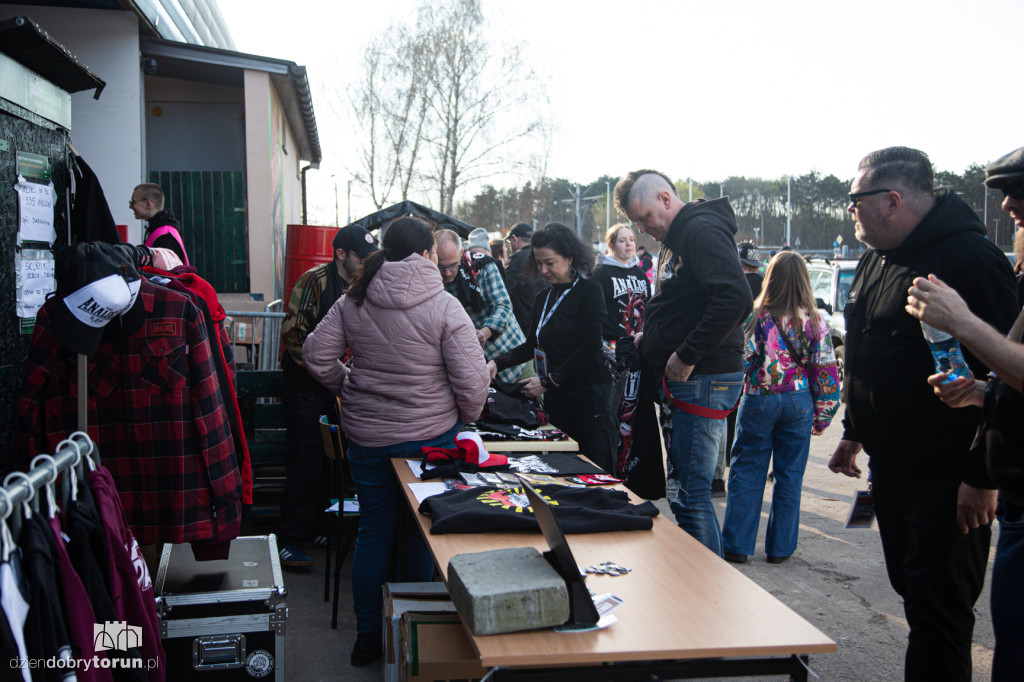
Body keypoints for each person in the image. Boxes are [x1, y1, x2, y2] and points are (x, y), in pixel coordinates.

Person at [827, 146, 1017, 681]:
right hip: (894, 468)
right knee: (916, 599)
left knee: (940, 617)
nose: (850, 211)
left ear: (891, 200)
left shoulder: (969, 260)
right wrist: (854, 431)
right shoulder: (877, 256)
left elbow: (1009, 380)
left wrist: (981, 477)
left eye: (854, 200)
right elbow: (868, 350)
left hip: (948, 475)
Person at [302, 217, 489, 667]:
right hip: (429, 439)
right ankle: (410, 638)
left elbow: (314, 354)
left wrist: (347, 385)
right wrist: (467, 417)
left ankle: (368, 636)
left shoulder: (355, 298)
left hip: (368, 437)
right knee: (422, 534)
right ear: (427, 254)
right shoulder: (444, 306)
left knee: (374, 533)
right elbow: (473, 382)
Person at [903, 145, 1024, 681]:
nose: (1006, 206)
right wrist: (984, 393)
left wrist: (962, 322)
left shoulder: (975, 259)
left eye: (1017, 192)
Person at [614, 170, 752, 555]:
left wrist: (686, 354)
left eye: (644, 218)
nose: (643, 230)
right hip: (696, 377)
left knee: (690, 496)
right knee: (685, 493)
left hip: (703, 378)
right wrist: (651, 336)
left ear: (664, 198)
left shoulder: (699, 230)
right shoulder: (681, 235)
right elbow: (689, 300)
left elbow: (734, 297)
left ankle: (708, 597)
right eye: (636, 223)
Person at [721, 252, 840, 564]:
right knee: (790, 475)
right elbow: (825, 371)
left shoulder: (753, 315)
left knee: (747, 470)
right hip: (798, 401)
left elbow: (741, 359)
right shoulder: (815, 320)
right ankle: (780, 548)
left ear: (769, 277)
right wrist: (823, 414)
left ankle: (736, 544)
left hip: (759, 396)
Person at [277, 224, 379, 569]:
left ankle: (319, 527)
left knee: (332, 462)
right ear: (341, 254)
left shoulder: (359, 285)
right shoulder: (314, 280)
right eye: (361, 258)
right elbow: (293, 334)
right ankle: (290, 538)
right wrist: (327, 369)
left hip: (336, 386)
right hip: (304, 386)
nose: (366, 263)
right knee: (305, 461)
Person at [488, 223, 616, 473]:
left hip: (588, 396)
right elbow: (530, 346)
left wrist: (547, 382)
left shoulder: (589, 292)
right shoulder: (544, 298)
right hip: (558, 396)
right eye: (539, 263)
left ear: (569, 258)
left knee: (592, 466)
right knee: (562, 465)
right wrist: (496, 363)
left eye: (550, 263)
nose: (543, 270)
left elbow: (590, 348)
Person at [592, 224, 650, 474]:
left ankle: (626, 469)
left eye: (631, 239)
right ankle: (607, 469)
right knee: (611, 413)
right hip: (612, 354)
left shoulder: (639, 273)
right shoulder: (600, 274)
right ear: (611, 245)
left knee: (632, 413)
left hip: (637, 352)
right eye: (622, 240)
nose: (628, 244)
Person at [435, 229, 526, 382]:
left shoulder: (483, 265)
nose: (447, 274)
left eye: (452, 266)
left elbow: (503, 305)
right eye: (441, 267)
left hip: (512, 355)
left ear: (462, 252)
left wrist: (483, 333)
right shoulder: (433, 279)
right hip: (478, 369)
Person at [713, 240, 766, 495]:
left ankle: (719, 473)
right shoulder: (767, 284)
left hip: (732, 357)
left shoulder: (732, 282)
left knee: (725, 417)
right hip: (762, 365)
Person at [504, 221, 550, 335]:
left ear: (514, 239)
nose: (510, 246)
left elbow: (505, 289)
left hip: (525, 326)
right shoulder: (543, 255)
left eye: (510, 241)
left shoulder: (518, 258)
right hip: (546, 321)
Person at [131, 182, 188, 265]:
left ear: (148, 204)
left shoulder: (165, 236)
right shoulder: (160, 230)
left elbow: (168, 275)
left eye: (133, 202)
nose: (131, 206)